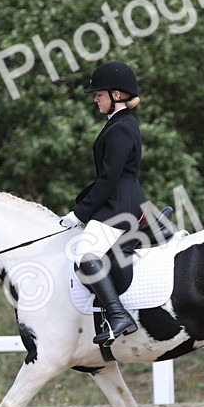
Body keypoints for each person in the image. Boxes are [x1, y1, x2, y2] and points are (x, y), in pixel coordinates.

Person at [59, 61, 145, 346]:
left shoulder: (121, 128)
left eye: (99, 94)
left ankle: (118, 315)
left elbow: (109, 178)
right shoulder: (119, 124)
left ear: (116, 95)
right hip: (118, 200)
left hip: (119, 205)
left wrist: (78, 213)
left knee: (85, 253)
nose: (95, 98)